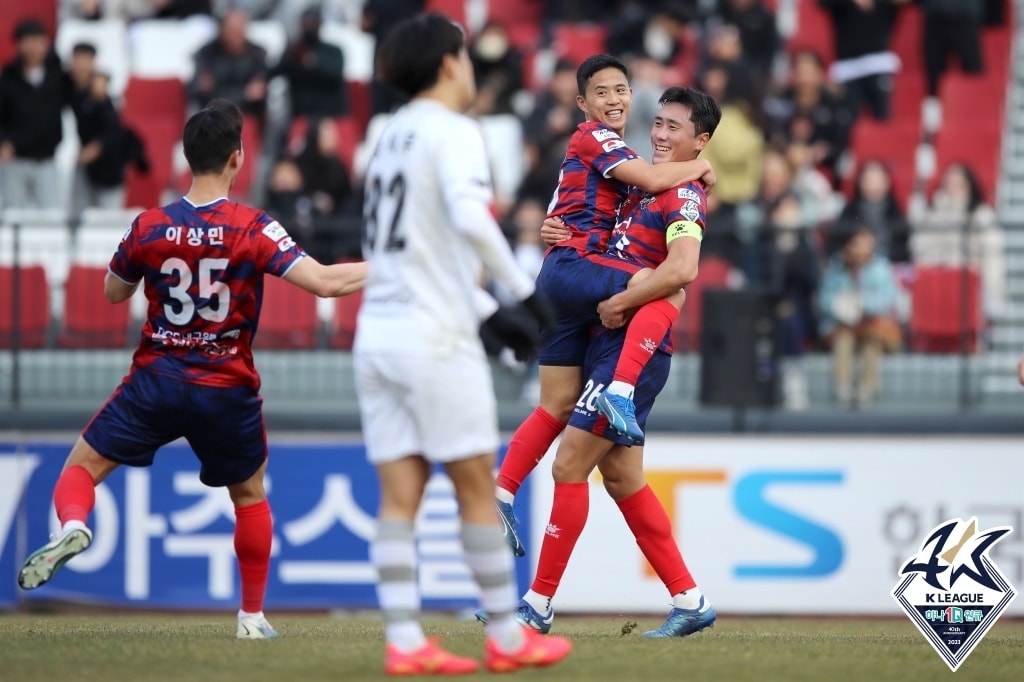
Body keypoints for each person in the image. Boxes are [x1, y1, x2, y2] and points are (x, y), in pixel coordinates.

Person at [16, 100, 368, 640]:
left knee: (80, 469)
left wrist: (143, 271)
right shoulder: (254, 226)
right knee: (248, 495)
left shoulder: (151, 225)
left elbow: (113, 293)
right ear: (237, 158)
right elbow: (325, 283)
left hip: (157, 379)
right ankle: (252, 618)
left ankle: (75, 525)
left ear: (185, 158)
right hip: (225, 385)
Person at [352, 13, 572, 675]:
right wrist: (520, 296)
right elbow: (472, 220)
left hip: (379, 335)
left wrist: (482, 310)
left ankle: (404, 641)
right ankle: (508, 637)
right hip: (432, 338)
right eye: (468, 57)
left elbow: (422, 250)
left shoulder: (388, 137)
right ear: (451, 63)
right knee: (477, 485)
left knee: (400, 496)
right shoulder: (454, 131)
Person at [482, 86, 721, 638]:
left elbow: (682, 268)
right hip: (604, 339)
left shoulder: (683, 197)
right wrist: (558, 233)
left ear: (700, 141)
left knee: (569, 466)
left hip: (631, 347)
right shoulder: (641, 185)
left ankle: (536, 606)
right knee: (621, 477)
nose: (660, 135)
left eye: (674, 128)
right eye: (657, 123)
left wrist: (620, 300)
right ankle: (690, 599)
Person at [818, 226, 902, 409]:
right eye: (858, 243)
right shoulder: (836, 267)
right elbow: (824, 298)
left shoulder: (880, 267)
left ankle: (867, 388)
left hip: (873, 324)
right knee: (843, 341)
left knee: (871, 343)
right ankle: (842, 386)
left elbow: (891, 299)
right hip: (844, 325)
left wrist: (864, 303)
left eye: (867, 243)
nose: (863, 248)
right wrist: (838, 306)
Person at [0, 19, 71, 210]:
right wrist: (3, 141)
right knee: (12, 215)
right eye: (27, 41)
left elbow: (79, 103)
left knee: (51, 215)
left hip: (46, 160)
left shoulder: (59, 76)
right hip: (15, 160)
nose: (33, 47)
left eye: (38, 41)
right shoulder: (7, 78)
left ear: (46, 44)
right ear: (19, 45)